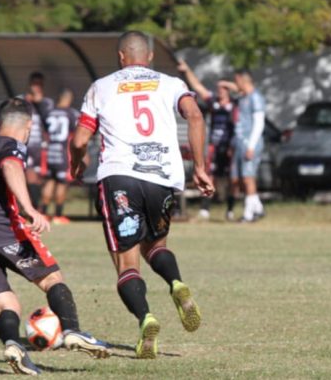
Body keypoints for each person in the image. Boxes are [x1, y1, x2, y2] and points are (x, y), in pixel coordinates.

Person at [70, 31, 215, 359]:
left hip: (119, 176)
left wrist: (76, 163)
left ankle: (145, 317)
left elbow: (80, 140)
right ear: (149, 57)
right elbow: (195, 115)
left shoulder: (101, 87)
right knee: (156, 245)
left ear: (122, 57)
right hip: (162, 178)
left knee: (126, 262)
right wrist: (201, 167)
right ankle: (176, 283)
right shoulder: (171, 83)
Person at [0, 98, 109, 375]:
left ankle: (12, 345)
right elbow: (11, 167)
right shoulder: (10, 146)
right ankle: (72, 331)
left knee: (6, 303)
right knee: (51, 279)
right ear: (29, 126)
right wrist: (29, 208)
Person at [176, 59, 236, 220]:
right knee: (210, 176)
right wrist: (187, 70)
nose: (220, 91)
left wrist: (229, 85)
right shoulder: (214, 103)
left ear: (229, 91)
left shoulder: (235, 104)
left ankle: (230, 210)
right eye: (219, 89)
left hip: (229, 147)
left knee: (231, 179)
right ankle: (205, 209)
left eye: (223, 89)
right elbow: (198, 87)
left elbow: (245, 90)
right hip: (214, 147)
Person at [221, 68, 266, 223]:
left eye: (236, 80)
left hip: (250, 144)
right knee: (242, 179)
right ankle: (258, 209)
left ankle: (248, 214)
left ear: (242, 79)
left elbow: (259, 124)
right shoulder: (243, 97)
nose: (235, 84)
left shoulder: (256, 98)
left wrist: (251, 146)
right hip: (240, 143)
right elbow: (237, 89)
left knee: (248, 178)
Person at [41, 89, 79, 225]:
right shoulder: (71, 114)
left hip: (50, 151)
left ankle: (43, 213)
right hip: (63, 152)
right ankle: (58, 215)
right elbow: (76, 135)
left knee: (50, 181)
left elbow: (45, 133)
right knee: (62, 183)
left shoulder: (48, 113)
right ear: (69, 99)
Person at [21, 72, 55, 209]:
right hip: (25, 144)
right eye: (34, 84)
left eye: (39, 84)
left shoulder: (47, 102)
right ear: (30, 85)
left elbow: (49, 122)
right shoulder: (21, 100)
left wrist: (39, 103)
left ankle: (39, 208)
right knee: (29, 176)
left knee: (41, 179)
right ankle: (33, 209)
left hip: (42, 147)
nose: (36, 87)